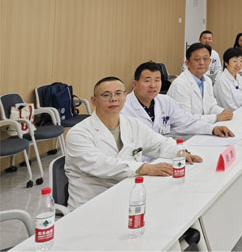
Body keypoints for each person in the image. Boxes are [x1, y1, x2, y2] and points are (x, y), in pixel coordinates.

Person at [65, 77, 203, 211]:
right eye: (106, 95)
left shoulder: (132, 124)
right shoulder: (78, 134)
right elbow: (101, 164)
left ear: (125, 96)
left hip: (128, 195)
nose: (113, 99)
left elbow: (158, 143)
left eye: (118, 93)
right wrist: (143, 168)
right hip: (91, 204)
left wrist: (179, 152)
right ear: (94, 100)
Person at [123, 62, 234, 137]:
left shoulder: (165, 101)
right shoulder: (123, 108)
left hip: (164, 153)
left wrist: (212, 129)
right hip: (138, 160)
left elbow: (186, 122)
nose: (153, 85)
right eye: (147, 81)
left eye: (157, 80)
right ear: (135, 84)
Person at [168, 43, 234, 124]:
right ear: (187, 63)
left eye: (205, 59)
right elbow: (185, 119)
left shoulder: (207, 80)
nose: (202, 62)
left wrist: (223, 112)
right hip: (184, 131)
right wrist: (215, 118)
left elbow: (211, 106)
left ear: (210, 61)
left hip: (201, 127)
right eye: (197, 59)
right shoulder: (180, 84)